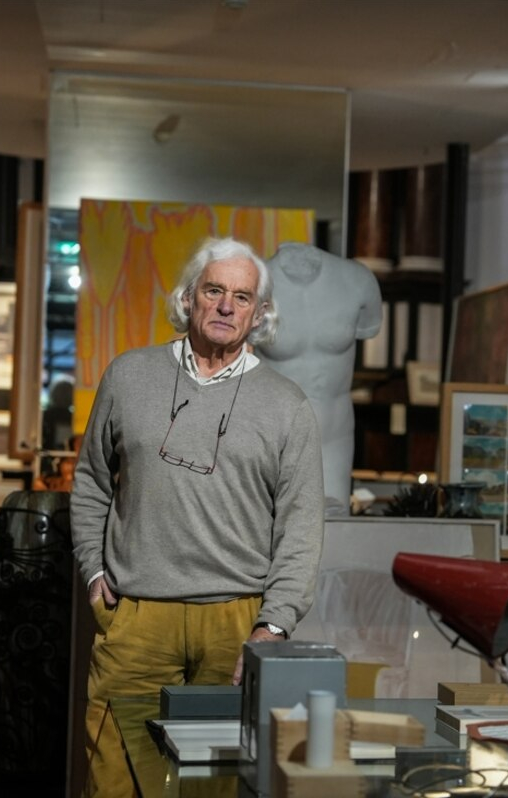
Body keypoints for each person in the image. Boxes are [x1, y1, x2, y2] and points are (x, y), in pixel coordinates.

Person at [70, 236, 325, 797]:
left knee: (214, 786)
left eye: (242, 296)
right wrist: (93, 571)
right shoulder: (128, 376)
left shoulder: (288, 405)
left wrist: (274, 624)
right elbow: (90, 482)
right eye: (214, 291)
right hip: (137, 615)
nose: (226, 306)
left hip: (236, 620)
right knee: (114, 779)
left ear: (259, 313)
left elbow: (302, 528)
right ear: (188, 298)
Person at [257, 242, 382, 515]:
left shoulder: (357, 280)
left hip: (334, 434)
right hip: (275, 433)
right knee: (272, 526)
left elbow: (370, 328)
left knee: (334, 527)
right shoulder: (255, 282)